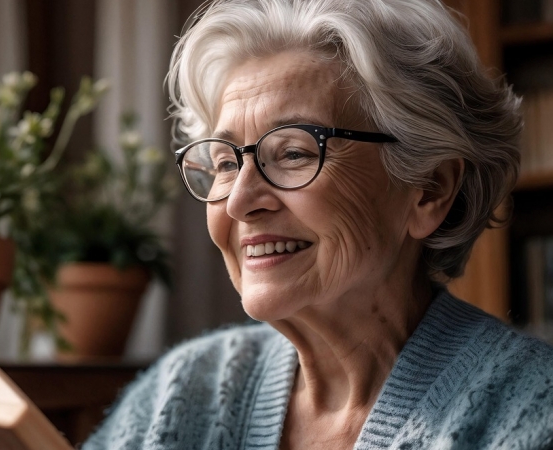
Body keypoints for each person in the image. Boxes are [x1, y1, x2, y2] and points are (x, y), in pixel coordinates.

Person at [82, 0, 553, 449]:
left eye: (292, 153)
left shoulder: (531, 411)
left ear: (429, 189)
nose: (240, 202)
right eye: (226, 162)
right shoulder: (179, 392)